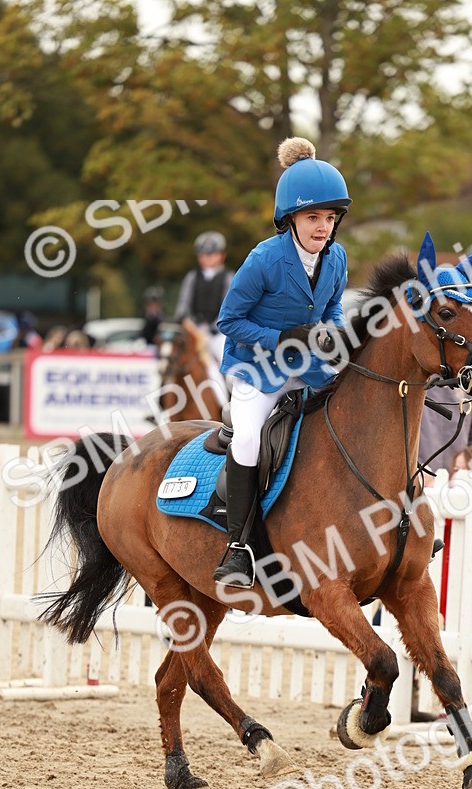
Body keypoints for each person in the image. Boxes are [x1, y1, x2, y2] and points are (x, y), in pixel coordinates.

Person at [212, 136, 351, 586]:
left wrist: (333, 333)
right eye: (313, 217)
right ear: (290, 217)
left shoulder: (337, 258)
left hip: (308, 368)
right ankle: (238, 548)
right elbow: (228, 320)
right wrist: (281, 338)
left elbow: (331, 309)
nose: (323, 227)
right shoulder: (265, 259)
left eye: (330, 218)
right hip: (257, 370)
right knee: (249, 438)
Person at [174, 231, 234, 368]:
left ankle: (228, 388)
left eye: (211, 254)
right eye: (203, 255)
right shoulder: (192, 276)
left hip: (218, 332)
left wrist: (214, 326)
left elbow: (229, 305)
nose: (207, 258)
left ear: (222, 255)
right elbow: (184, 303)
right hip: (196, 330)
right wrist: (185, 321)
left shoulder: (228, 277)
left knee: (224, 361)